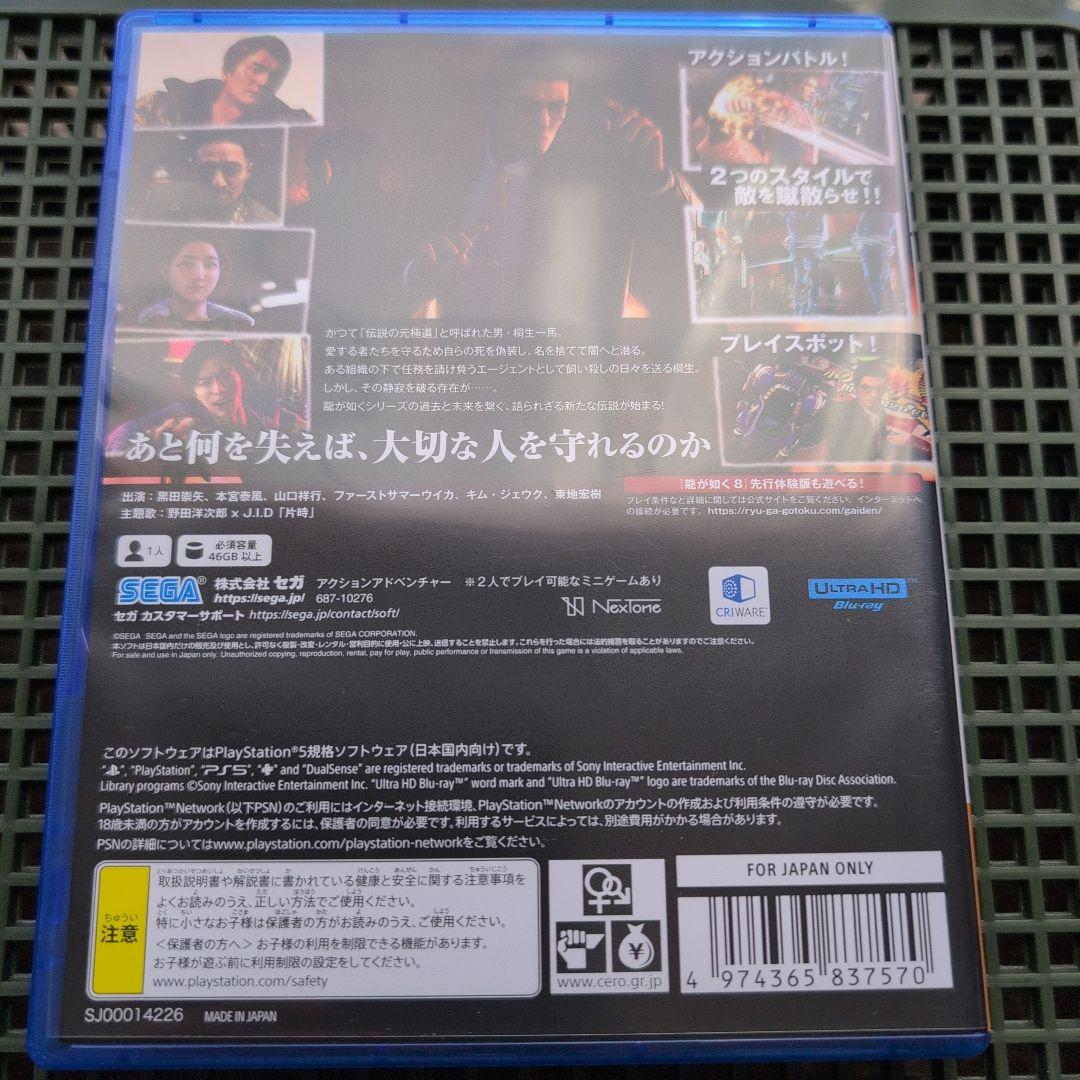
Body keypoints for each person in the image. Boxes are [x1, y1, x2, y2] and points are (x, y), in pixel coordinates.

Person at [402, 49, 698, 320]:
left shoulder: (593, 186)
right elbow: (392, 277)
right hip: (461, 356)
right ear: (494, 103)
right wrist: (417, 277)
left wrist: (658, 179)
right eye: (527, 106)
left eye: (557, 107)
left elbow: (695, 236)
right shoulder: (439, 181)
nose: (543, 121)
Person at [106, 341, 301, 456]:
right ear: (194, 391)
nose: (219, 389)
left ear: (241, 378)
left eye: (226, 376)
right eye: (205, 382)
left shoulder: (265, 413)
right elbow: (122, 434)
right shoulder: (182, 417)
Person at [134, 35, 314, 128]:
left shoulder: (293, 126)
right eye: (255, 69)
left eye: (275, 76)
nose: (264, 81)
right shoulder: (156, 108)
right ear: (226, 72)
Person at [136, 136, 279, 224]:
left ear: (248, 171)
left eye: (231, 169)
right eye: (206, 170)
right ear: (193, 170)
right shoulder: (158, 201)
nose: (219, 182)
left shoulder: (267, 223)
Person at [135, 238, 255, 333]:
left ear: (220, 271)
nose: (199, 275)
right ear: (166, 271)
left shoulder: (237, 330)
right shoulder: (147, 328)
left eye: (210, 264)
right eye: (186, 263)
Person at [824, 362, 890, 462]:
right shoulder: (842, 413)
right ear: (855, 387)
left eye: (880, 389)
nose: (874, 394)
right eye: (866, 388)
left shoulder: (880, 412)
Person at [852, 210, 898, 315]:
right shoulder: (887, 212)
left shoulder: (871, 211)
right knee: (882, 280)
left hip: (872, 249)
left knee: (874, 279)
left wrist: (857, 243)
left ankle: (885, 307)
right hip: (880, 248)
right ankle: (889, 307)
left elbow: (859, 230)